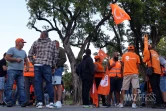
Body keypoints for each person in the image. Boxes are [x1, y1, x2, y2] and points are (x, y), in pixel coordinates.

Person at [28, 31, 58, 109]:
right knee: (49, 83)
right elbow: (55, 55)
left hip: (37, 65)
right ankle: (51, 102)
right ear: (47, 36)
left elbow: (30, 54)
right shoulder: (52, 43)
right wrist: (53, 66)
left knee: (38, 84)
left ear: (42, 35)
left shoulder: (36, 43)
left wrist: (34, 62)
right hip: (47, 65)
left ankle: (39, 102)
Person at [5, 38, 29, 107]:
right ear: (17, 43)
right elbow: (7, 58)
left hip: (20, 71)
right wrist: (16, 59)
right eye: (22, 42)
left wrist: (27, 67)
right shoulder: (12, 49)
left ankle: (22, 102)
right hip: (12, 70)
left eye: (24, 43)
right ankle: (8, 101)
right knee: (9, 85)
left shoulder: (23, 52)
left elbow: (26, 60)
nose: (23, 44)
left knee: (21, 86)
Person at [52, 40, 66, 108]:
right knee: (52, 84)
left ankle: (59, 101)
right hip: (52, 69)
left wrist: (57, 65)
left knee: (58, 84)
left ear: (57, 44)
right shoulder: (52, 51)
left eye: (54, 44)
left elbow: (64, 59)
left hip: (58, 68)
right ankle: (54, 101)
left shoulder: (61, 50)